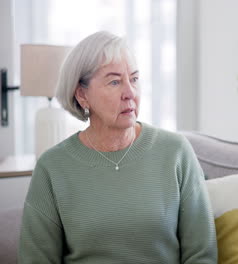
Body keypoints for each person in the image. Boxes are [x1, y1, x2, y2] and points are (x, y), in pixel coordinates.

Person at [18, 31, 217, 263]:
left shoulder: (175, 152)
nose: (130, 93)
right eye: (114, 82)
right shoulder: (52, 167)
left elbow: (202, 254)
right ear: (82, 95)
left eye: (133, 79)